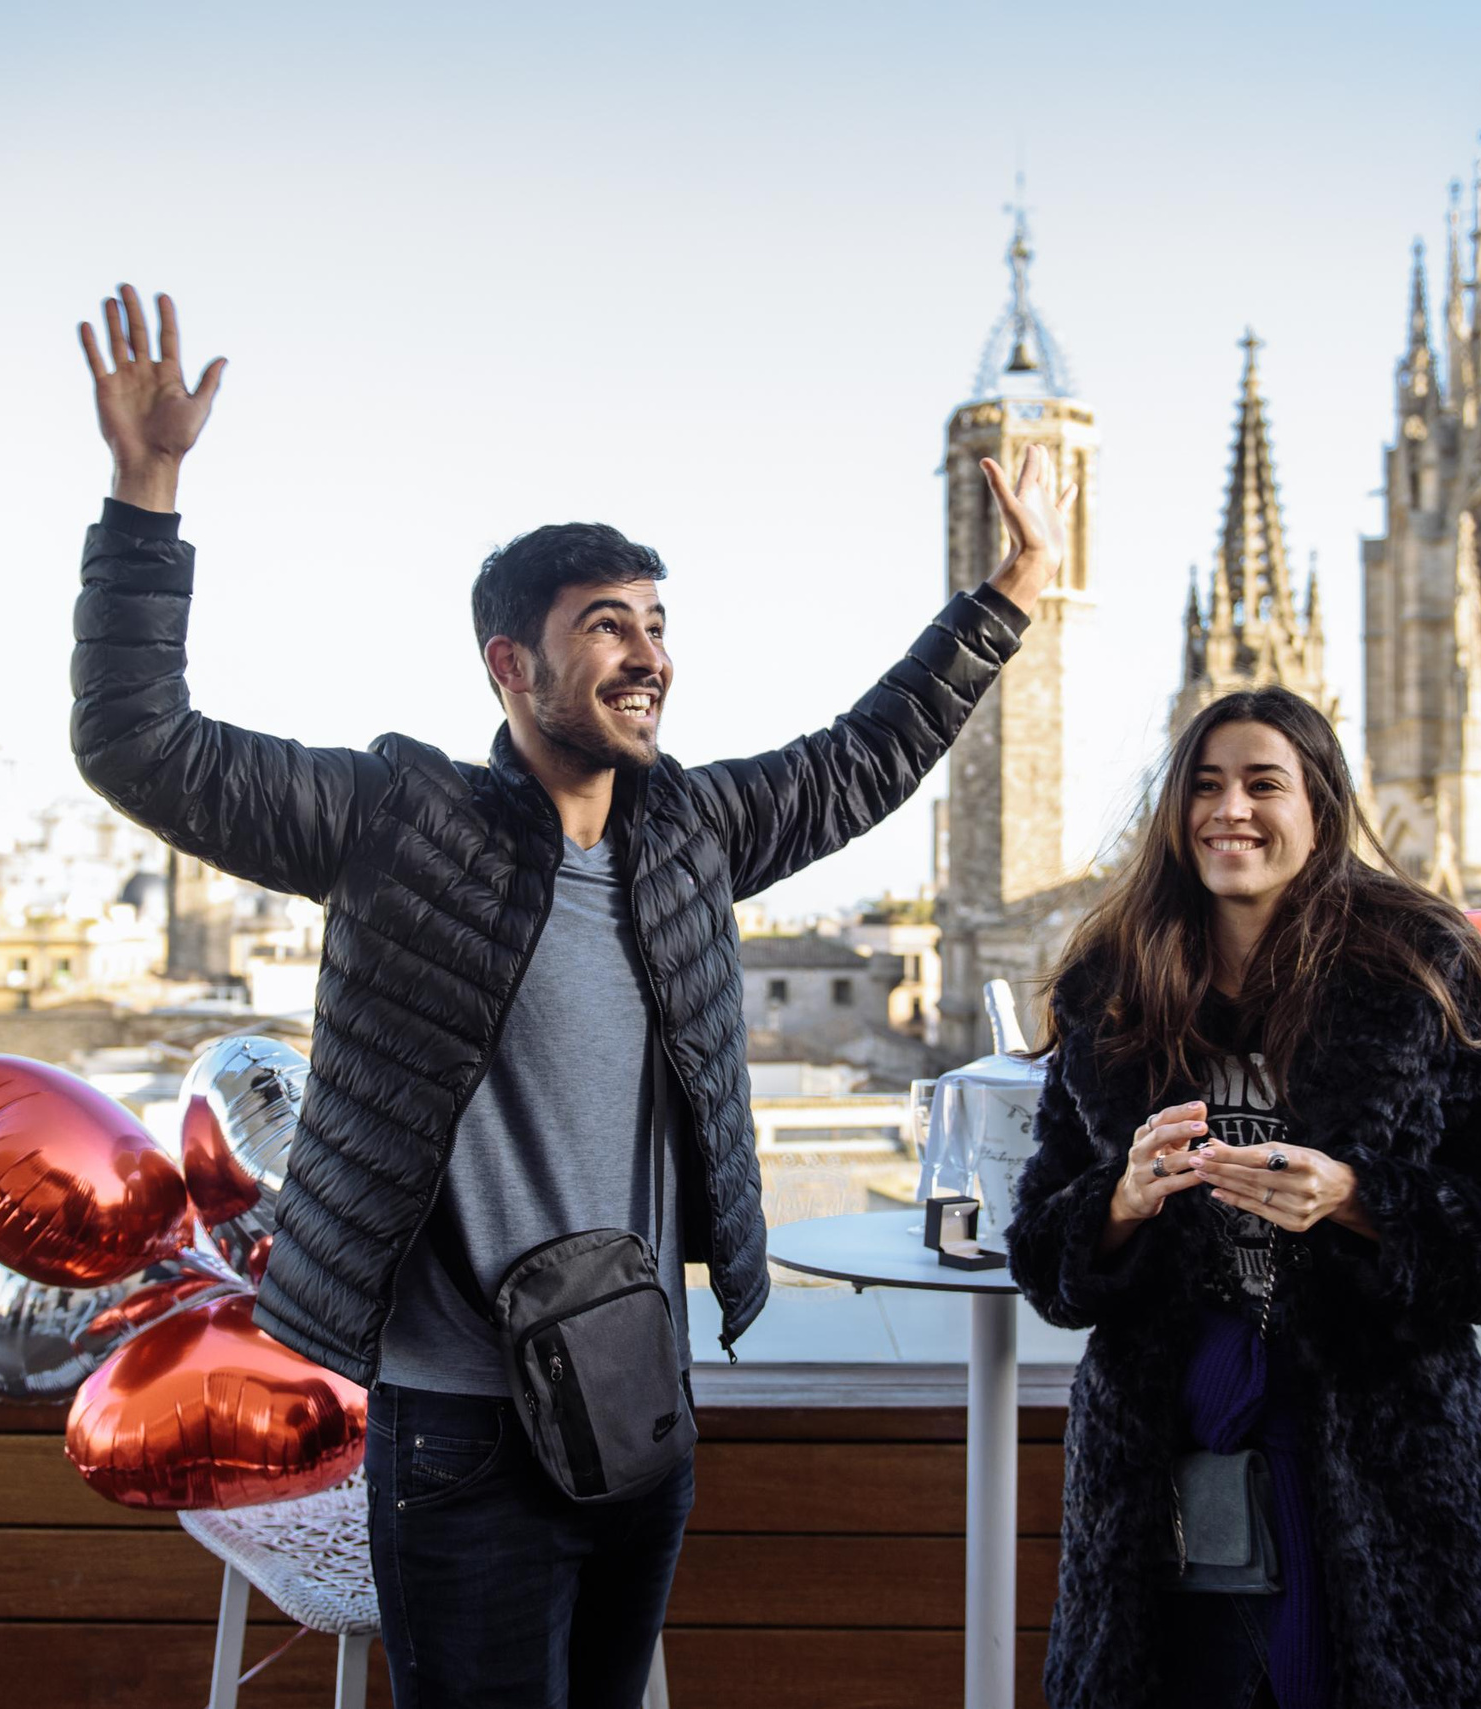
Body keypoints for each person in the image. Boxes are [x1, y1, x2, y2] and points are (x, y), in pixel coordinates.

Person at [68, 285, 1075, 1708]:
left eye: (657, 623)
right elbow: (139, 741)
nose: (649, 654)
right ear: (511, 663)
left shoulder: (691, 833)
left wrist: (1012, 592)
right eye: (608, 626)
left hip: (640, 1407)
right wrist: (146, 494)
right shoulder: (397, 823)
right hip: (461, 1436)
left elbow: (869, 754)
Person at [1003, 686, 1481, 1709]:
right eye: (1206, 785)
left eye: (1264, 784)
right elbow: (1041, 1255)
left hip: (1381, 1455)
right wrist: (1122, 1199)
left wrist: (1356, 1197)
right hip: (1164, 1458)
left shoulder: (1418, 973)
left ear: (1319, 806)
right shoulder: (1109, 986)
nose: (1232, 810)